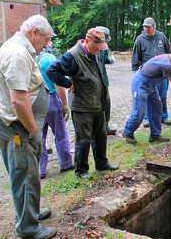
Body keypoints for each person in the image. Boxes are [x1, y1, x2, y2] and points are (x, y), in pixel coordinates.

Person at [0, 14, 56, 239]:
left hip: (20, 125)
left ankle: (32, 212)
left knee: (28, 173)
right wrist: (32, 130)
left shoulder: (21, 48)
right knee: (25, 174)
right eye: (46, 39)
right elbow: (18, 100)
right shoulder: (18, 53)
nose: (48, 45)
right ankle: (28, 227)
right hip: (18, 127)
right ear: (34, 33)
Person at [46, 28, 119, 179]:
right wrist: (67, 83)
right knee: (83, 139)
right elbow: (51, 70)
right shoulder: (72, 56)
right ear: (87, 41)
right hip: (82, 105)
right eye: (96, 47)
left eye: (100, 47)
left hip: (97, 102)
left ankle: (102, 164)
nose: (98, 50)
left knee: (100, 136)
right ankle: (81, 170)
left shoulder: (96, 52)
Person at [122, 47, 171, 145]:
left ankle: (155, 135)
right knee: (139, 112)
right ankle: (128, 133)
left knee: (156, 107)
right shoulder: (167, 65)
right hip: (140, 84)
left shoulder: (169, 59)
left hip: (150, 84)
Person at [37, 34, 75, 179]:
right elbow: (59, 85)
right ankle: (65, 163)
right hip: (52, 99)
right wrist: (65, 104)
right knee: (60, 133)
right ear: (47, 42)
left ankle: (41, 168)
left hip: (36, 101)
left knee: (40, 136)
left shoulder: (30, 58)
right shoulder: (50, 59)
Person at [131, 17, 171, 127]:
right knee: (149, 97)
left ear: (154, 26)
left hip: (162, 74)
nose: (146, 29)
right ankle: (148, 119)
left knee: (162, 96)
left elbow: (169, 54)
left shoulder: (162, 37)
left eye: (148, 27)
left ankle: (163, 116)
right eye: (144, 27)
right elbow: (135, 57)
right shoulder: (140, 39)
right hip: (148, 75)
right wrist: (136, 71)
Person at [96, 26, 117, 135]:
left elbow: (104, 60)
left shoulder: (104, 46)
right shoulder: (92, 47)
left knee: (106, 103)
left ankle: (106, 125)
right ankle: (98, 128)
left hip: (104, 80)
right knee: (96, 106)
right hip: (95, 82)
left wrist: (110, 60)